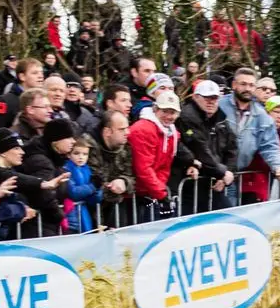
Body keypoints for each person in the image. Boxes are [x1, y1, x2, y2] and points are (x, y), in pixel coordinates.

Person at [216, 68, 280, 204]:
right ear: (234, 85)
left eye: (251, 85)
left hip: (237, 175)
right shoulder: (219, 105)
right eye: (243, 84)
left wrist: (278, 166)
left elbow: (270, 145)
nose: (247, 88)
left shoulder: (261, 115)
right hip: (214, 173)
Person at [128, 90, 191, 222]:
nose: (168, 116)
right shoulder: (143, 130)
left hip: (150, 191)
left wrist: (159, 192)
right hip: (134, 193)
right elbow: (143, 168)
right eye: (165, 111)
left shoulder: (171, 133)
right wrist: (161, 194)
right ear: (155, 109)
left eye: (172, 112)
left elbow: (164, 166)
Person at [175, 79, 238, 212]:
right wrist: (222, 172)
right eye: (206, 98)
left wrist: (228, 172)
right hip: (191, 183)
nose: (211, 102)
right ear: (196, 97)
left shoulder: (221, 119)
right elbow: (200, 148)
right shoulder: (187, 117)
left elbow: (232, 148)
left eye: (214, 98)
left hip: (213, 182)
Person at [16, 118, 78, 236]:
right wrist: (59, 216)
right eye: (69, 137)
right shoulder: (40, 160)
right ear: (56, 140)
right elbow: (44, 194)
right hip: (39, 225)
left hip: (45, 223)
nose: (73, 141)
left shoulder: (55, 158)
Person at [239, 95, 280, 203]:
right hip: (250, 184)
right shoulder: (259, 130)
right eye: (276, 112)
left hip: (269, 182)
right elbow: (262, 157)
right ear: (267, 112)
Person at [85, 109, 134, 228]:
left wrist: (124, 182)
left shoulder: (125, 146)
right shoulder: (87, 147)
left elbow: (132, 177)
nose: (127, 132)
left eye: (127, 128)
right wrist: (112, 188)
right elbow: (92, 183)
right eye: (122, 129)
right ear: (107, 131)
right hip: (90, 212)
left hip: (114, 210)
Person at [62, 138, 102, 233]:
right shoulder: (66, 169)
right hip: (71, 214)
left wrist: (97, 191)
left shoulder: (87, 169)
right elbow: (73, 192)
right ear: (68, 154)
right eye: (76, 153)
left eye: (85, 154)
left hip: (84, 212)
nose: (81, 157)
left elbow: (93, 200)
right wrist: (92, 187)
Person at [1, 58, 44, 127]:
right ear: (22, 77)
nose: (41, 76)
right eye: (35, 73)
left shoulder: (44, 101)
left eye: (41, 72)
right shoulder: (4, 100)